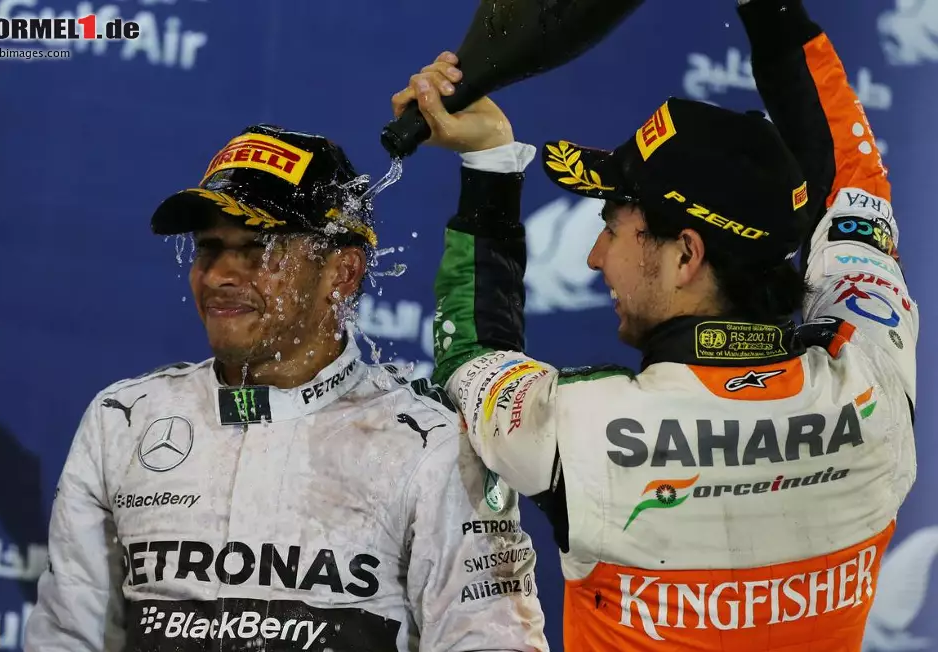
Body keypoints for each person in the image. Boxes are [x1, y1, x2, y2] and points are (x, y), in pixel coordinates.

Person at [392, 0, 918, 649]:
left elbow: (471, 353)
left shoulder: (582, 429)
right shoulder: (875, 379)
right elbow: (851, 180)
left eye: (613, 228)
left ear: (685, 255)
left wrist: (489, 164)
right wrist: (774, 15)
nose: (595, 256)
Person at [24, 125, 549, 652]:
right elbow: (66, 639)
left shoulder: (430, 448)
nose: (220, 276)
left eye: (257, 251)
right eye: (209, 248)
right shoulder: (123, 421)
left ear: (342, 273)